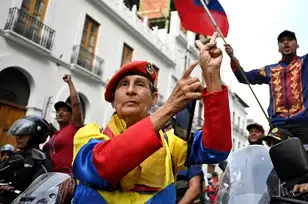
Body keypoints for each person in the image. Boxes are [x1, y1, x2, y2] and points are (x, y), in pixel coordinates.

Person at [71, 32, 232, 203]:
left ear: (153, 98)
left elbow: (216, 149)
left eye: (139, 84)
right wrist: (168, 108)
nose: (131, 90)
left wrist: (212, 75)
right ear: (112, 99)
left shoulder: (171, 143)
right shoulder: (88, 134)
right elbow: (101, 166)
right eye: (124, 84)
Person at [225, 0, 308, 144]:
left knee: (302, 163)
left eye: (290, 40)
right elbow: (244, 77)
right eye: (282, 41)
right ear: (278, 47)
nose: (286, 43)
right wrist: (232, 57)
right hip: (278, 125)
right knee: (279, 162)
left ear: (297, 45)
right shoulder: (269, 70)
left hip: (303, 123)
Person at [0, 116, 52, 202]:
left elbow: (40, 190)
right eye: (17, 134)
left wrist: (15, 190)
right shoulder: (15, 156)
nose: (17, 137)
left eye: (23, 134)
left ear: (36, 136)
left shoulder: (41, 160)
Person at [43, 74, 84, 174]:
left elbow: (76, 104)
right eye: (58, 111)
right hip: (52, 177)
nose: (60, 113)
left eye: (65, 111)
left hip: (67, 178)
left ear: (72, 115)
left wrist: (70, 83)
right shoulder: (55, 135)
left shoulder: (74, 127)